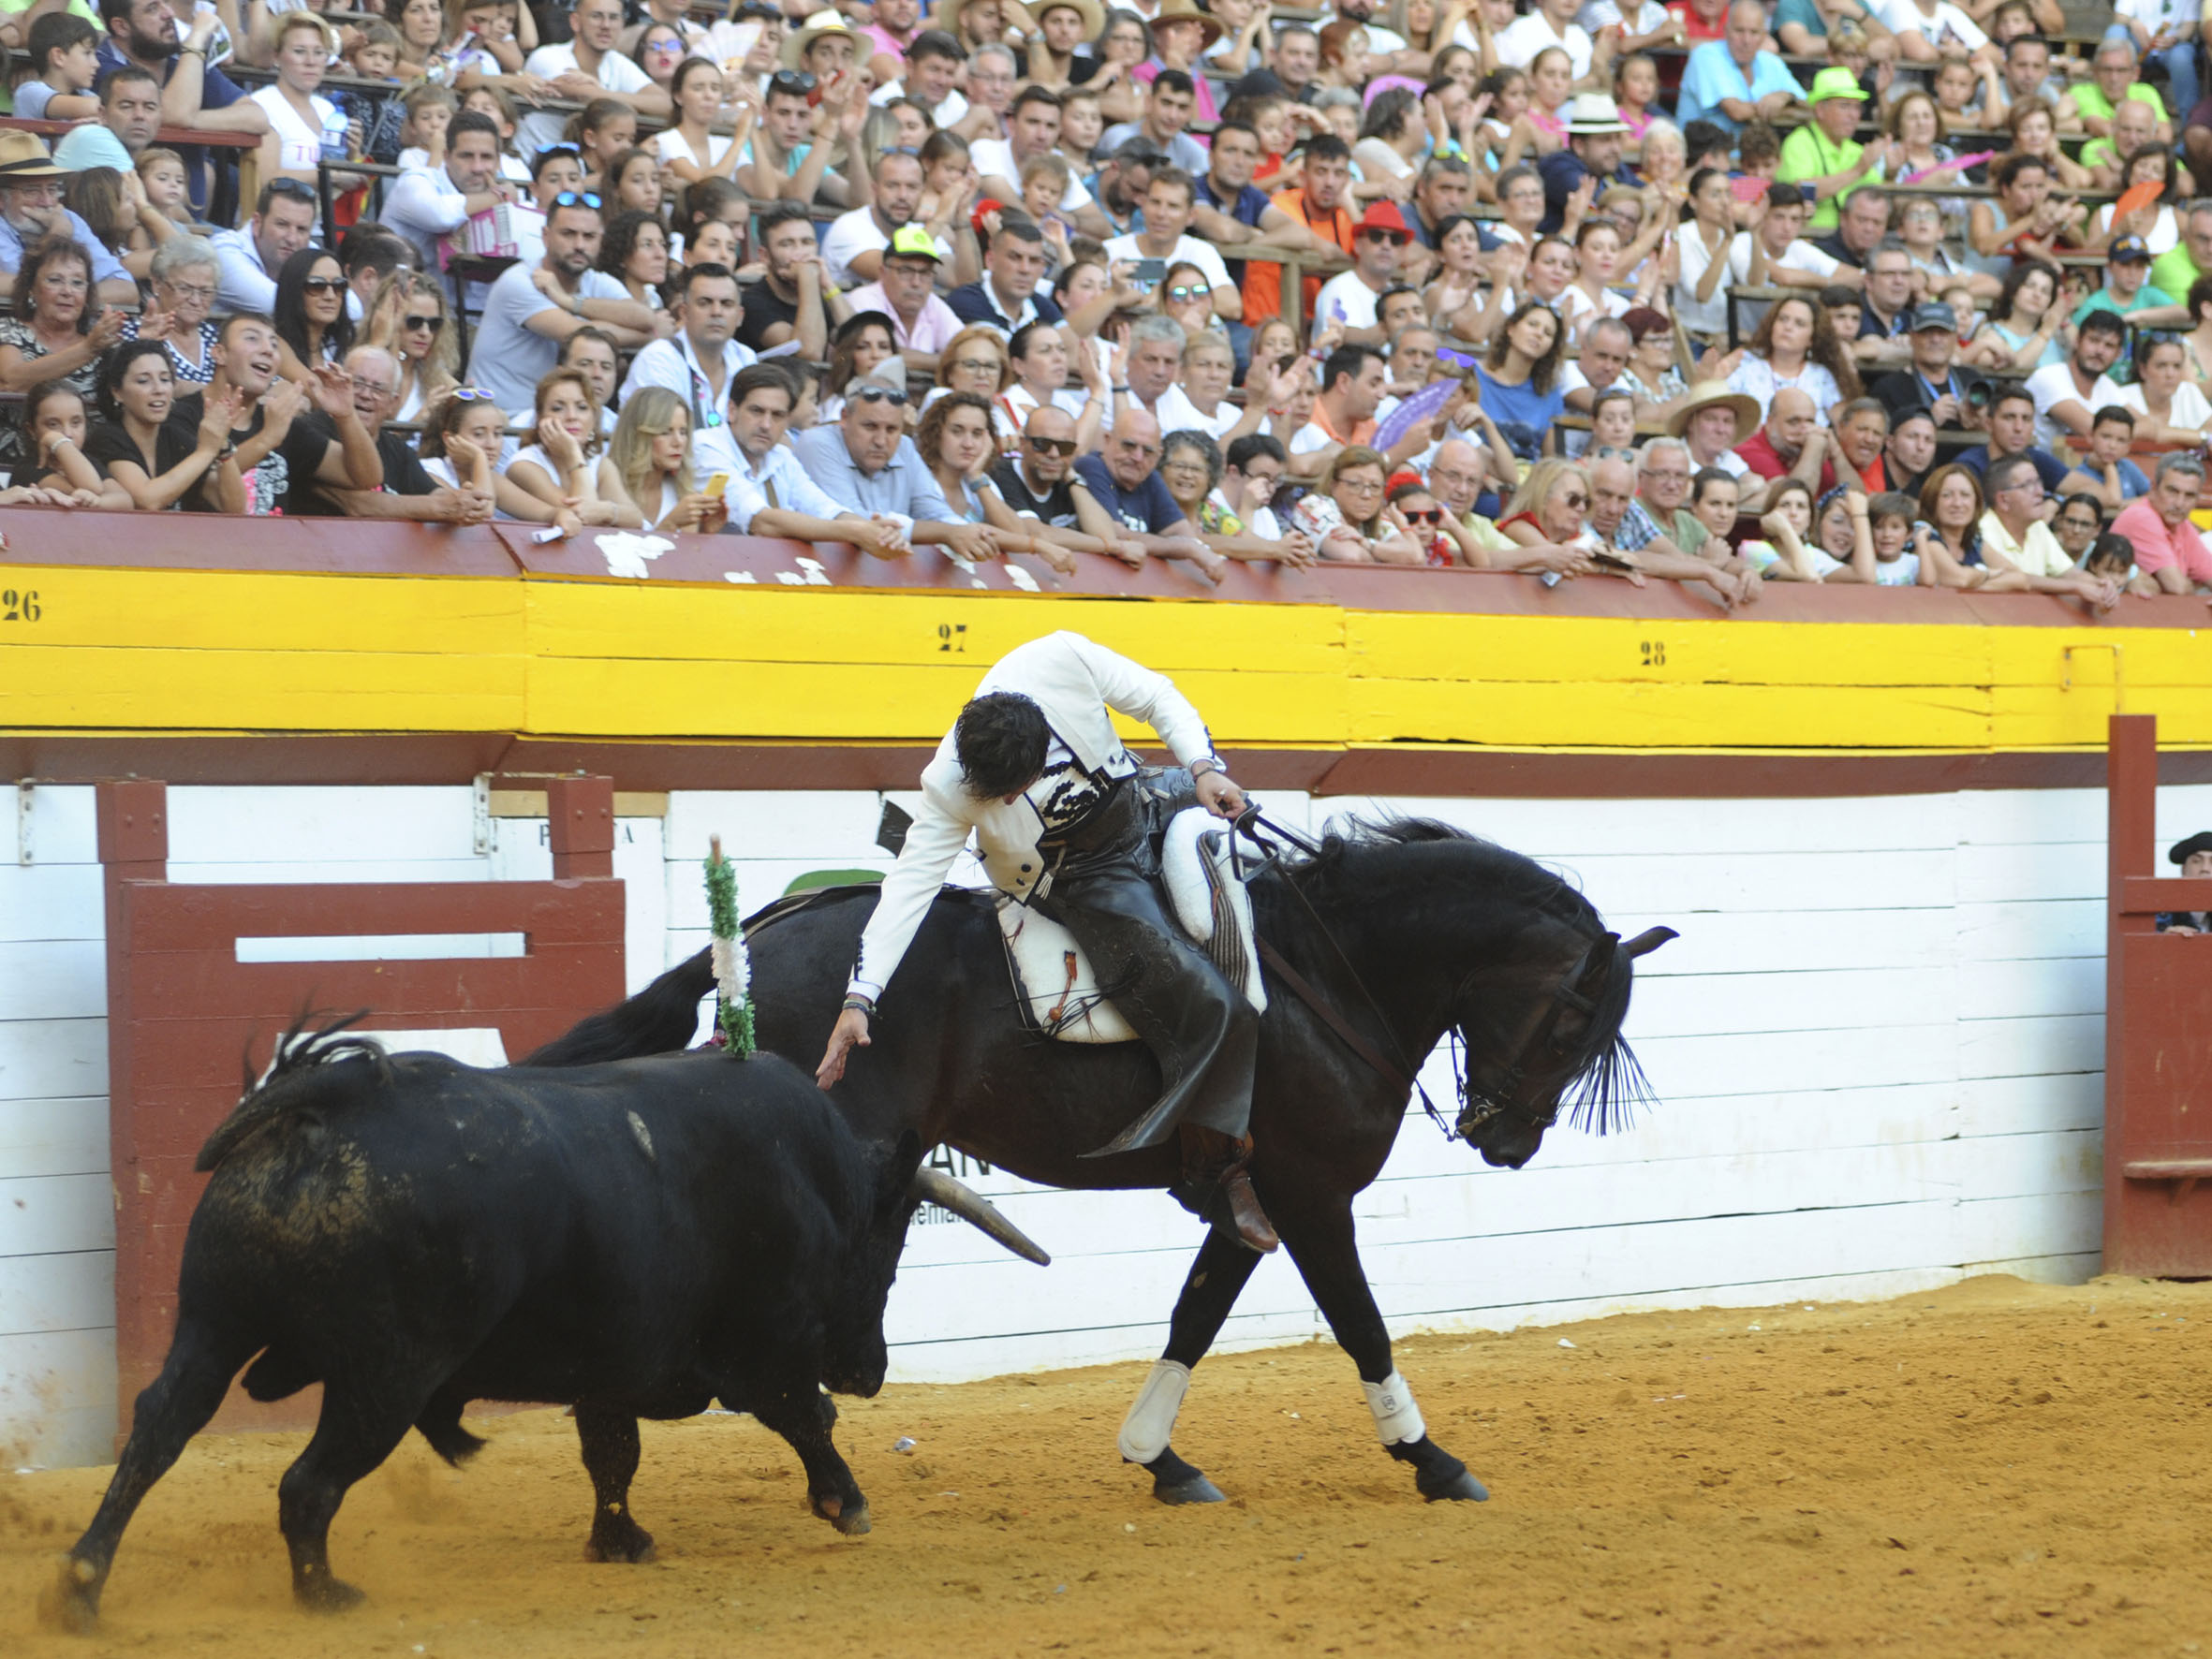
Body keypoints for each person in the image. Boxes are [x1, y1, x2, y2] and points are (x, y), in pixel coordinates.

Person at [817, 629, 1276, 1252]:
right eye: (997, 794)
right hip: (1082, 876)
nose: (1007, 800)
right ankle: (1213, 1174)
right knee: (1216, 1006)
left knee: (1263, 861)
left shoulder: (1060, 658)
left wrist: (1202, 767)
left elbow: (1157, 697)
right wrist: (859, 998)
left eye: (1014, 787)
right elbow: (908, 888)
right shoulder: (948, 783)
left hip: (1145, 798)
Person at [465, 193, 660, 418]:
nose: (579, 245)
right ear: (545, 236)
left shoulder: (597, 281)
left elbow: (645, 318)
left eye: (589, 236)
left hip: (564, 419)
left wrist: (567, 301)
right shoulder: (519, 281)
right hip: (503, 421)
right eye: (568, 234)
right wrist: (646, 337)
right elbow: (577, 335)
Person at [169, 312, 383, 515]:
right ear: (220, 354)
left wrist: (346, 416)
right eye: (252, 339)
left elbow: (366, 477)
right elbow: (203, 485)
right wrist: (267, 439)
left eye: (273, 344)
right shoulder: (181, 417)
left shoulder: (279, 422)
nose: (268, 351)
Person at [791, 378, 998, 563]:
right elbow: (856, 521)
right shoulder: (817, 442)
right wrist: (949, 533)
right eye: (870, 427)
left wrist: (963, 531)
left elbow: (935, 511)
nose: (881, 441)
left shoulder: (904, 445)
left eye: (891, 429)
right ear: (844, 418)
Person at [323, 345, 497, 525]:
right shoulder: (315, 430)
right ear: (338, 384)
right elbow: (358, 505)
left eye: (378, 389)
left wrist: (465, 502)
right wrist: (443, 507)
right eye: (357, 384)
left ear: (393, 403)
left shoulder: (398, 450)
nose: (366, 394)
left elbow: (442, 497)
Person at [617, 261, 757, 480]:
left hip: (733, 481)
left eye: (726, 304)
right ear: (684, 312)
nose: (716, 312)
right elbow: (663, 445)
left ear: (739, 316)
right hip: (668, 483)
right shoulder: (658, 359)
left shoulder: (745, 358)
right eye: (705, 303)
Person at [87, 336, 244, 510]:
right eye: (143, 381)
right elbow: (147, 500)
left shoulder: (177, 438)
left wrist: (222, 446)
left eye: (165, 379)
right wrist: (206, 451)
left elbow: (234, 510)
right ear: (117, 392)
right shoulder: (107, 438)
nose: (159, 390)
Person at [0, 131, 139, 307]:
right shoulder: (61, 226)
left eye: (52, 189)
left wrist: (69, 300)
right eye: (32, 191)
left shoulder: (67, 219)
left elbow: (126, 289)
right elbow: (27, 279)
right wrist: (57, 237)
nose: (47, 202)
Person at [988, 404, 1140, 564]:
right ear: (1022, 443)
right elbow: (1036, 533)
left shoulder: (1068, 480)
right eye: (1043, 444)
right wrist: (1113, 547)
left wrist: (1072, 479)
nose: (1054, 454)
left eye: (1065, 447)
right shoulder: (1003, 472)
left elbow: (1106, 534)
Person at [517, 0, 671, 157]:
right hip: (533, 159)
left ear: (622, 25)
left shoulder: (618, 62)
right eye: (596, 16)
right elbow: (582, 94)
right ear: (575, 22)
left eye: (613, 18)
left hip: (583, 164)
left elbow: (666, 104)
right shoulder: (548, 55)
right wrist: (625, 103)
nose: (606, 25)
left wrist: (600, 91)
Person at [1976, 453, 2121, 607]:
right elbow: (2017, 579)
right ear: (2003, 500)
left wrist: (2102, 586)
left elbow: (2069, 573)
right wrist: (2076, 587)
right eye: (2028, 485)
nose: (2040, 491)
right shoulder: (1983, 531)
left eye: (2038, 482)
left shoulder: (2037, 527)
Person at [1102, 169, 1239, 322]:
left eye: (1173, 206)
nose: (1161, 214)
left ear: (1191, 216)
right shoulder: (1111, 250)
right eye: (1155, 202)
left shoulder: (1200, 251)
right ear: (1143, 205)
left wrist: (1164, 294)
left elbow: (1233, 306)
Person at [1674, 0, 1800, 135]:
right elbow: (1736, 111)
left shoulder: (1770, 61)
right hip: (1702, 147)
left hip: (1749, 146)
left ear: (1764, 35)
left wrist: (1785, 97)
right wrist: (1776, 108)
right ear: (1726, 31)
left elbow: (1807, 108)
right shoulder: (1705, 55)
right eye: (1739, 31)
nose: (1746, 40)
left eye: (1754, 32)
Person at [208, 177, 318, 317]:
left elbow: (346, 306)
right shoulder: (224, 251)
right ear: (257, 223)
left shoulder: (313, 253)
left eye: (301, 229)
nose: (292, 239)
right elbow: (273, 303)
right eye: (282, 225)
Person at [2024, 309, 2125, 452]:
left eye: (2109, 345)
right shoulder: (2048, 377)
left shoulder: (2107, 384)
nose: (2100, 351)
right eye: (2094, 340)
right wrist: (2123, 434)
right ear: (2077, 341)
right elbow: (2091, 429)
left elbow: (2147, 426)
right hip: (2033, 463)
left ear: (2118, 354)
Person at [2112, 454, 2212, 594]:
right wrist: (2195, 585)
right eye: (2172, 491)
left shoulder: (2181, 524)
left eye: (2189, 495)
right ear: (2153, 488)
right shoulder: (2141, 517)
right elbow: (2178, 588)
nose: (2179, 504)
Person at [1956, 381, 2069, 495]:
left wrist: (2056, 501)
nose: (2018, 427)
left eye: (2026, 419)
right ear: (1989, 424)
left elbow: (2080, 486)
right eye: (2009, 418)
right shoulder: (1969, 466)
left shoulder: (2037, 459)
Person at [2059, 405, 2151, 508]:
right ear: (2090, 436)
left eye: (2121, 440)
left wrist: (2125, 504)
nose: (2112, 446)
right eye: (2106, 436)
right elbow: (2113, 502)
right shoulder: (2080, 474)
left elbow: (2152, 497)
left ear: (2129, 446)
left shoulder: (2128, 467)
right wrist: (2108, 467)